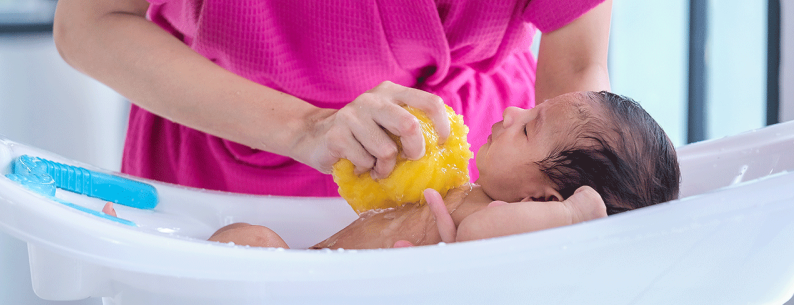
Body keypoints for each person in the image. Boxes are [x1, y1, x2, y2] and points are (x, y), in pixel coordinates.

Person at [53, 0, 612, 197]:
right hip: (225, 161)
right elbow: (90, 22)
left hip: (480, 178)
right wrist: (305, 128)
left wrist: (560, 207)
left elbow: (578, 66)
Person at [105, 91, 681, 249]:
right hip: (315, 275)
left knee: (248, 241)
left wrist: (583, 214)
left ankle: (163, 263)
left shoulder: (488, 221)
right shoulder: (466, 195)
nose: (510, 110)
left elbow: (483, 234)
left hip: (318, 291)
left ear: (546, 201)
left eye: (528, 127)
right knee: (244, 240)